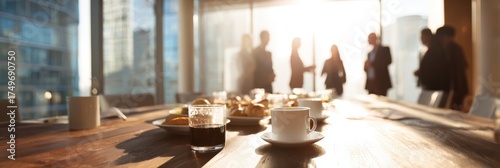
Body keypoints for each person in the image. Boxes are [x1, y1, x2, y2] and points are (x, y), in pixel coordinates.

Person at [438, 25, 469, 110]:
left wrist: (454, 89)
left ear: (444, 36)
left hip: (456, 88)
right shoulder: (455, 48)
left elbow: (456, 71)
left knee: (454, 113)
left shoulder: (452, 49)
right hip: (457, 88)